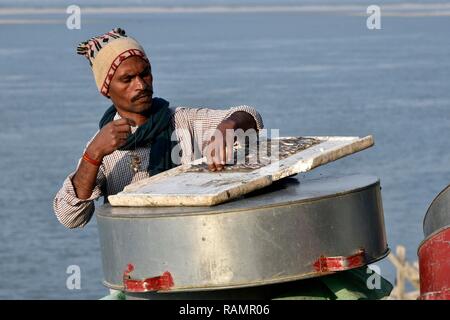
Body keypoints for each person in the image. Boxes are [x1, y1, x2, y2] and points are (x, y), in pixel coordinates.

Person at [53, 28, 263, 229]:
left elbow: (250, 116)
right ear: (106, 89)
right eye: (127, 79)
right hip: (138, 257)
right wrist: (93, 155)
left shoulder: (181, 120)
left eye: (145, 74)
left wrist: (228, 126)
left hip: (196, 244)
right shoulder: (102, 147)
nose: (141, 85)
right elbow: (70, 217)